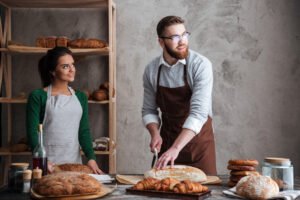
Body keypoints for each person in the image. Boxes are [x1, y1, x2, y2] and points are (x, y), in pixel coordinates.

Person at [142, 16, 217, 175]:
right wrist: (155, 133)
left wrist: (176, 148)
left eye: (184, 35)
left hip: (198, 146)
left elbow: (198, 113)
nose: (182, 41)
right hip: (167, 144)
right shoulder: (151, 70)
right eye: (175, 37)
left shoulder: (200, 65)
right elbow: (149, 110)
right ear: (161, 42)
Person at [26, 46, 103, 174]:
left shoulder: (80, 97)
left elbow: (83, 131)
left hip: (74, 165)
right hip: (47, 166)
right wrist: (43, 161)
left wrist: (91, 158)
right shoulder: (38, 96)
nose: (72, 70)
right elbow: (33, 133)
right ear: (52, 71)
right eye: (65, 66)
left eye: (72, 65)